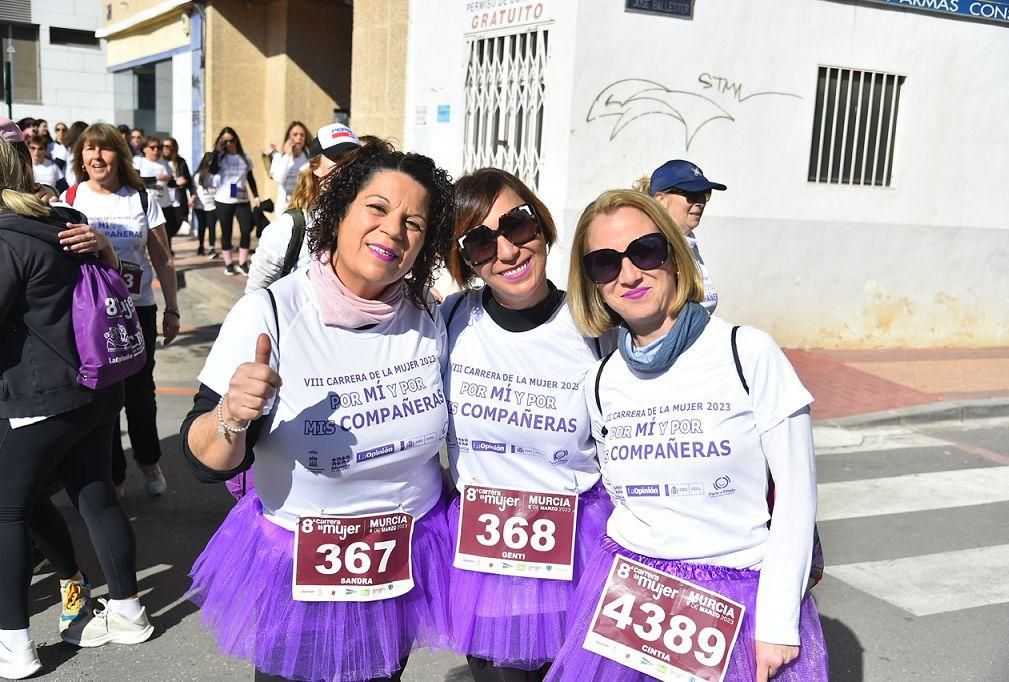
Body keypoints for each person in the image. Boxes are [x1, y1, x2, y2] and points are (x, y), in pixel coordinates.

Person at [181, 141, 455, 681]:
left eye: (414, 223)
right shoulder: (270, 312)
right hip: (297, 564)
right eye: (377, 208)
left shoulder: (429, 316)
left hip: (403, 557)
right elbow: (204, 460)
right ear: (340, 213)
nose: (393, 231)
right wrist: (233, 415)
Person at [546, 189, 827, 681]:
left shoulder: (748, 352)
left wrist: (778, 622)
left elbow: (797, 500)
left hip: (735, 601)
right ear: (592, 283)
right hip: (630, 598)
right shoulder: (601, 380)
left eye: (645, 251)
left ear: (675, 254)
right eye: (605, 263)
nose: (629, 274)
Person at [441, 168, 614, 680]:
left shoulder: (595, 326)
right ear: (465, 259)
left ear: (540, 223)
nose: (508, 251)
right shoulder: (450, 320)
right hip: (483, 554)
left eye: (517, 225)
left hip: (577, 547)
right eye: (479, 242)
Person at [0, 136, 154, 680]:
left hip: (37, 398)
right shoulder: (65, 217)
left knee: (9, 511)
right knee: (95, 498)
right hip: (95, 389)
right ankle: (128, 612)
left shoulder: (7, 235)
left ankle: (15, 645)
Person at [62, 123, 180, 498]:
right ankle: (112, 474)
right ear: (81, 157)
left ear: (119, 155)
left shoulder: (141, 200)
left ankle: (149, 461)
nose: (97, 157)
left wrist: (172, 309)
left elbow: (163, 259)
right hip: (89, 316)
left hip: (135, 312)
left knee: (140, 396)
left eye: (105, 149)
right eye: (89, 150)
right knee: (101, 398)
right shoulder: (70, 199)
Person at [245, 123, 361, 293]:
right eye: (338, 158)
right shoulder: (287, 229)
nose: (347, 168)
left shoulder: (365, 222)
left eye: (353, 160)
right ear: (315, 167)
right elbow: (254, 298)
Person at [635, 159, 726, 314]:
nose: (700, 202)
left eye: (704, 194)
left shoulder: (688, 241)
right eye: (691, 194)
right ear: (661, 200)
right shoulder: (652, 250)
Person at [211, 126, 260, 275]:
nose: (229, 144)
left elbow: (250, 178)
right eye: (225, 142)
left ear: (236, 140)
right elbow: (212, 170)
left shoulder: (245, 157)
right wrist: (218, 150)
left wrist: (256, 195)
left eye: (231, 140)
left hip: (242, 199)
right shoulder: (219, 158)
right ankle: (228, 264)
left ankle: (243, 262)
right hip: (223, 200)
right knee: (227, 232)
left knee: (246, 230)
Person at [268, 120, 310, 212]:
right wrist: (287, 155)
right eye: (295, 135)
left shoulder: (309, 159)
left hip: (302, 206)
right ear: (289, 137)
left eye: (302, 135)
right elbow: (278, 179)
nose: (299, 137)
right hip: (283, 207)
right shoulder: (279, 157)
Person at [162, 137, 194, 240]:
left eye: (168, 146)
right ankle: (168, 250)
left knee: (176, 224)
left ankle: (167, 247)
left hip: (178, 199)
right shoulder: (159, 162)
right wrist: (176, 183)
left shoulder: (180, 162)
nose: (165, 149)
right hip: (163, 199)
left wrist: (193, 195)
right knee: (165, 226)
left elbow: (188, 180)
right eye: (163, 146)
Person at [193, 152, 219, 257]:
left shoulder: (217, 176)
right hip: (200, 206)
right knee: (201, 227)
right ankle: (200, 246)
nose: (210, 164)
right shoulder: (198, 175)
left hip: (213, 206)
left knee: (212, 227)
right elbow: (194, 190)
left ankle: (211, 248)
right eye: (208, 162)